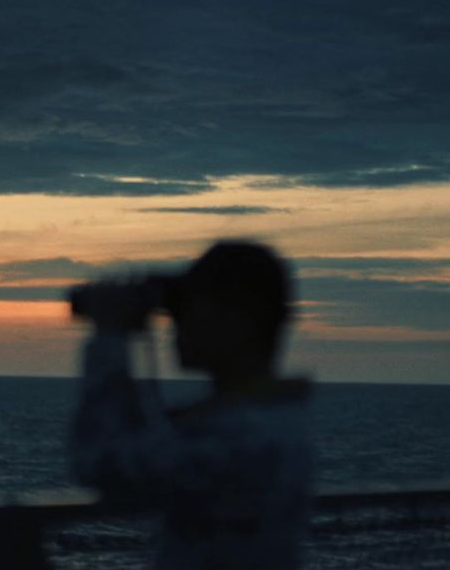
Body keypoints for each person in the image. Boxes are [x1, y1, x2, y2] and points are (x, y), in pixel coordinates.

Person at [68, 240, 313, 570]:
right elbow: (153, 445)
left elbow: (101, 465)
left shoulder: (238, 436)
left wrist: (110, 337)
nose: (175, 326)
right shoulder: (276, 419)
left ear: (236, 319)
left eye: (186, 310)